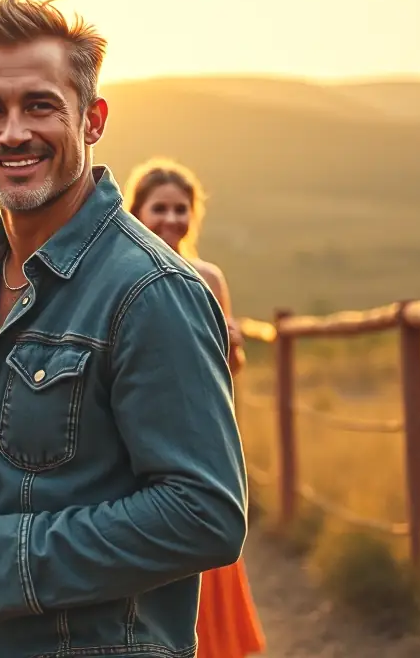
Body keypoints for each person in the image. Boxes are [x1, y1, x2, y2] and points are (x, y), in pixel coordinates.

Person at [0, 0, 248, 657]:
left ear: (92, 120)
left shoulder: (151, 290)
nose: (12, 133)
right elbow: (7, 479)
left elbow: (204, 516)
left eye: (40, 105)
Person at [123, 157, 266, 658]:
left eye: (180, 209)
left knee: (208, 543)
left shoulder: (210, 278)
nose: (171, 219)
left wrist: (232, 345)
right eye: (159, 208)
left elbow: (230, 370)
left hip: (200, 439)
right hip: (140, 441)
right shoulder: (120, 276)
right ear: (136, 212)